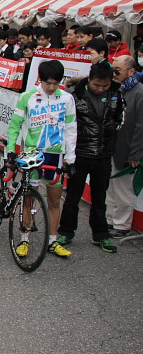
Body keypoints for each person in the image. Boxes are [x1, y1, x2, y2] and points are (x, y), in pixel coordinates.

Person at [6, 60, 77, 257]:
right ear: (40, 80)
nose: (52, 87)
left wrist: (70, 158)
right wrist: (11, 149)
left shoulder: (66, 99)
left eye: (56, 83)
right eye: (48, 83)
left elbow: (71, 129)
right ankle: (24, 238)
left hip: (55, 155)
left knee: (54, 201)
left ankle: (52, 241)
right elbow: (14, 126)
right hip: (33, 154)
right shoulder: (27, 97)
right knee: (29, 198)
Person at [57, 63, 125, 253]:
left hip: (104, 153)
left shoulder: (116, 95)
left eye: (105, 86)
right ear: (89, 79)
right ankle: (66, 231)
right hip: (80, 153)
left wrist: (109, 134)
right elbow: (66, 124)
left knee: (100, 197)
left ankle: (101, 234)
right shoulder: (74, 95)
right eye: (97, 85)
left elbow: (119, 120)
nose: (101, 89)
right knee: (73, 196)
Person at [106, 55, 143, 237]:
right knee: (111, 188)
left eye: (118, 71)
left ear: (131, 71)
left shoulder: (139, 92)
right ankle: (110, 220)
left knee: (123, 190)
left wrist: (135, 153)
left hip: (128, 151)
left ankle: (121, 225)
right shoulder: (118, 90)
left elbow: (140, 127)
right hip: (113, 146)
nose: (115, 74)